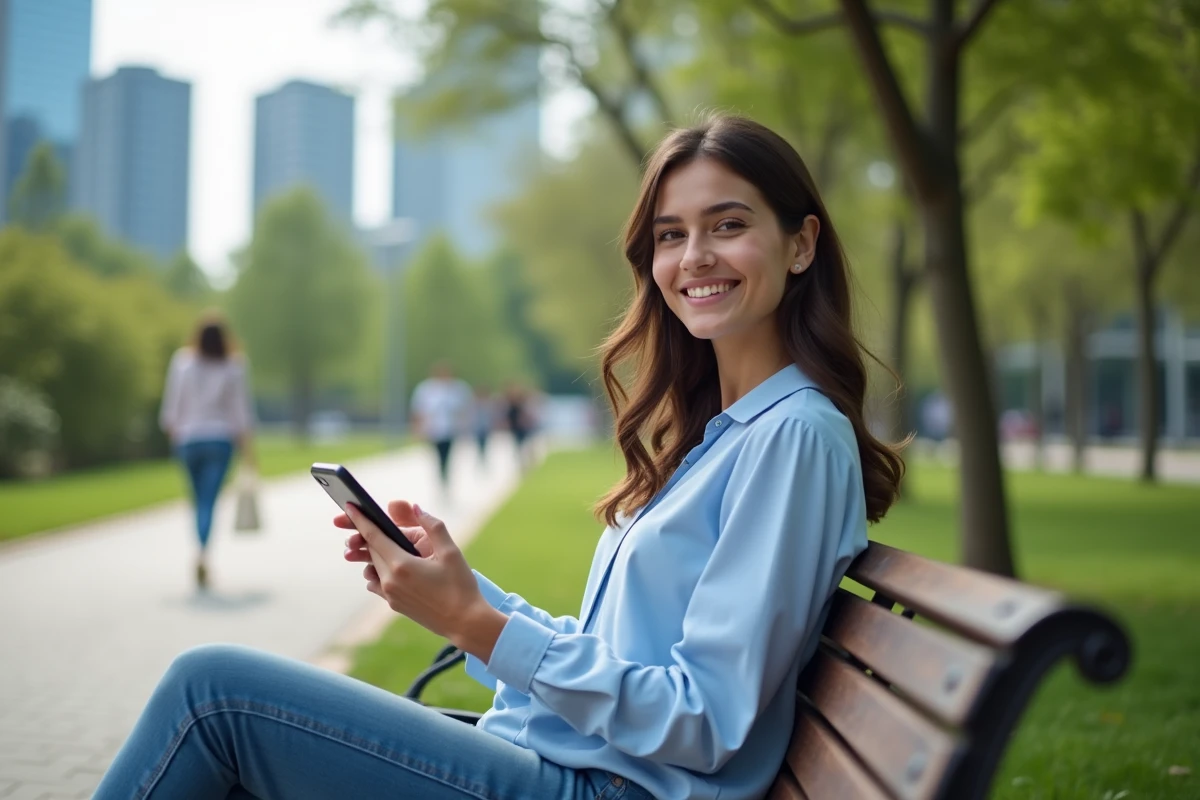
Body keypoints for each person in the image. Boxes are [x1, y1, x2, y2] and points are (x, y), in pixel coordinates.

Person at [95, 114, 905, 800]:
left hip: (601, 786)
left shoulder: (794, 436)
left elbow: (704, 720)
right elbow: (621, 657)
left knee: (211, 696)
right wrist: (459, 594)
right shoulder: (720, 437)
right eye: (670, 235)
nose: (693, 257)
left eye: (727, 225)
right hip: (559, 759)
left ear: (800, 245)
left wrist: (476, 627)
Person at [158, 313, 256, 591]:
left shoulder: (183, 362)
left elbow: (171, 407)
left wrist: (175, 435)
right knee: (209, 501)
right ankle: (203, 553)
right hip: (220, 440)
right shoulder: (234, 366)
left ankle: (200, 550)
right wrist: (249, 452)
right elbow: (241, 412)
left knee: (197, 500)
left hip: (188, 440)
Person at [410, 361, 472, 495]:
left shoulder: (458, 389)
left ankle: (445, 478)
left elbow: (465, 410)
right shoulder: (426, 389)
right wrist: (418, 428)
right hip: (434, 430)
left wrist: (464, 427)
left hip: (451, 430)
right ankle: (441, 477)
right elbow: (419, 410)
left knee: (447, 456)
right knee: (438, 456)